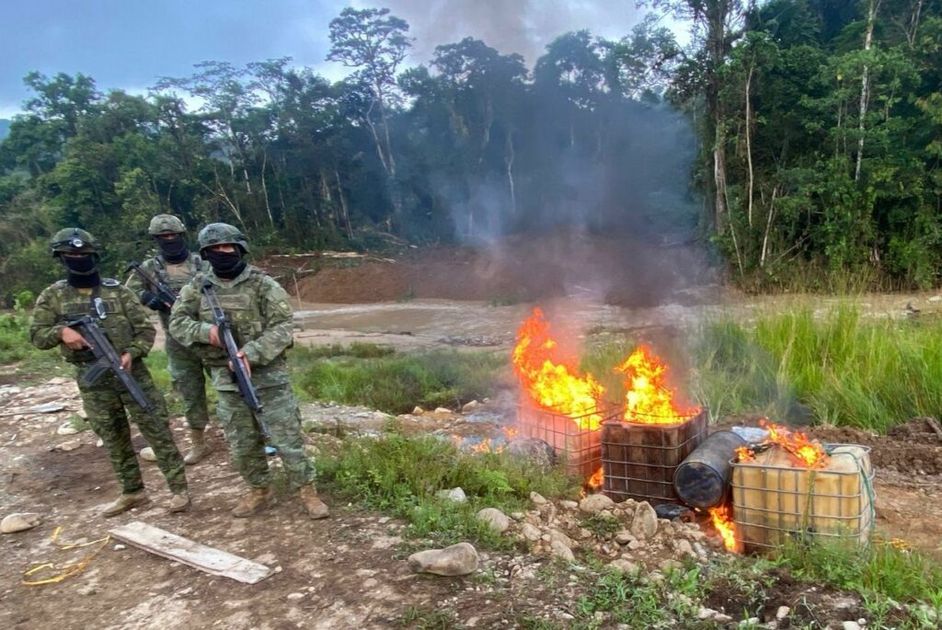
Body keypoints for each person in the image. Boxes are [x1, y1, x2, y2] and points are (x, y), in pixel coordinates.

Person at [168, 223, 328, 519]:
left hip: (269, 380)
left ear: (240, 249)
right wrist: (207, 332)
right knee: (242, 443)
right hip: (226, 380)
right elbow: (176, 323)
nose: (222, 253)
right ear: (205, 253)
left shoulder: (262, 284)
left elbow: (283, 327)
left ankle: (307, 491)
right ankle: (259, 490)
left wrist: (250, 354)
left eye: (228, 248)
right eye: (214, 250)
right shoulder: (198, 287)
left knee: (287, 440)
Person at [29, 228, 189, 516]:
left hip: (133, 374)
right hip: (94, 379)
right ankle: (133, 492)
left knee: (157, 428)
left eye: (84, 255)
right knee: (113, 436)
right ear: (61, 258)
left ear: (94, 256)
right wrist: (62, 331)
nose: (79, 260)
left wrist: (131, 353)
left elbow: (144, 330)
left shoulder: (118, 291)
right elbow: (37, 335)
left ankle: (178, 489)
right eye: (71, 255)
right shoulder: (53, 296)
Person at [126, 214, 213, 464]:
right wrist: (147, 298)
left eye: (173, 236)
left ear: (181, 235)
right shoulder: (150, 268)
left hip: (208, 335)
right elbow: (127, 292)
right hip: (178, 342)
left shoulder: (201, 262)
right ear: (156, 240)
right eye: (163, 237)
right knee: (190, 391)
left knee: (230, 385)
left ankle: (251, 436)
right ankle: (198, 442)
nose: (169, 240)